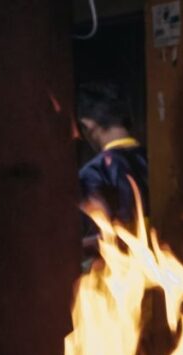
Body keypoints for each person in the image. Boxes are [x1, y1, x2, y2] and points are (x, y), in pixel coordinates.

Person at [76, 81, 150, 249]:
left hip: (119, 270)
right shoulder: (158, 161)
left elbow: (106, 237)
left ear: (87, 125)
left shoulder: (94, 172)